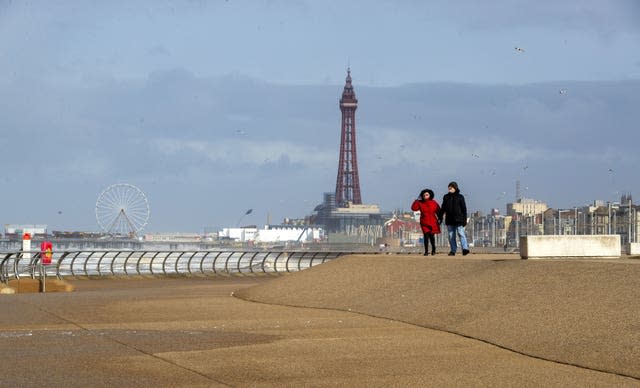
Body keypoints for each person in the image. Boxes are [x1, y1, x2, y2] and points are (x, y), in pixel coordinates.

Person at [438, 181, 470, 256]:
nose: (449, 188)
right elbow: (443, 208)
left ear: (455, 188)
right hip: (449, 220)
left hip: (459, 220)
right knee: (451, 236)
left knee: (461, 233)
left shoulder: (460, 197)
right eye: (449, 187)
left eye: (451, 187)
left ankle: (465, 249)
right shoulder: (446, 197)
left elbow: (464, 209)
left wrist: (464, 220)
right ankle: (453, 250)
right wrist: (440, 217)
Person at [411, 188, 441, 256]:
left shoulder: (434, 202)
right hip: (424, 222)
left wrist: (440, 219)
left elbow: (438, 211)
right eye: (424, 195)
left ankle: (433, 249)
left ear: (430, 195)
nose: (425, 196)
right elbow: (413, 208)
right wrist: (417, 200)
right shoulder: (420, 202)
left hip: (433, 222)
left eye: (427, 195)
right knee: (426, 236)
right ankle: (426, 251)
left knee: (432, 236)